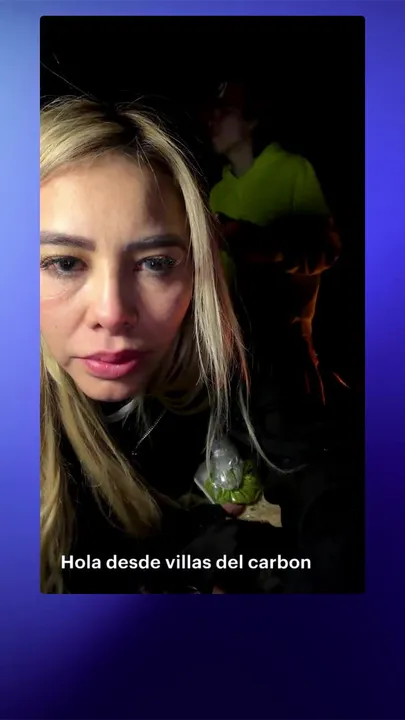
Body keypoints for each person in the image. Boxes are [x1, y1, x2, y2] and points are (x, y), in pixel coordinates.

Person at [41, 98, 362, 594]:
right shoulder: (225, 188)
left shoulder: (232, 352)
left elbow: (329, 481)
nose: (112, 311)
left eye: (156, 263)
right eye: (64, 262)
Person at [205, 82, 342, 405]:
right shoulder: (218, 193)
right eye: (212, 113)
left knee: (296, 428)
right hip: (233, 349)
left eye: (224, 111)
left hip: (286, 348)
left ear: (251, 119)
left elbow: (327, 249)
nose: (212, 120)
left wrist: (264, 244)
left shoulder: (292, 169)